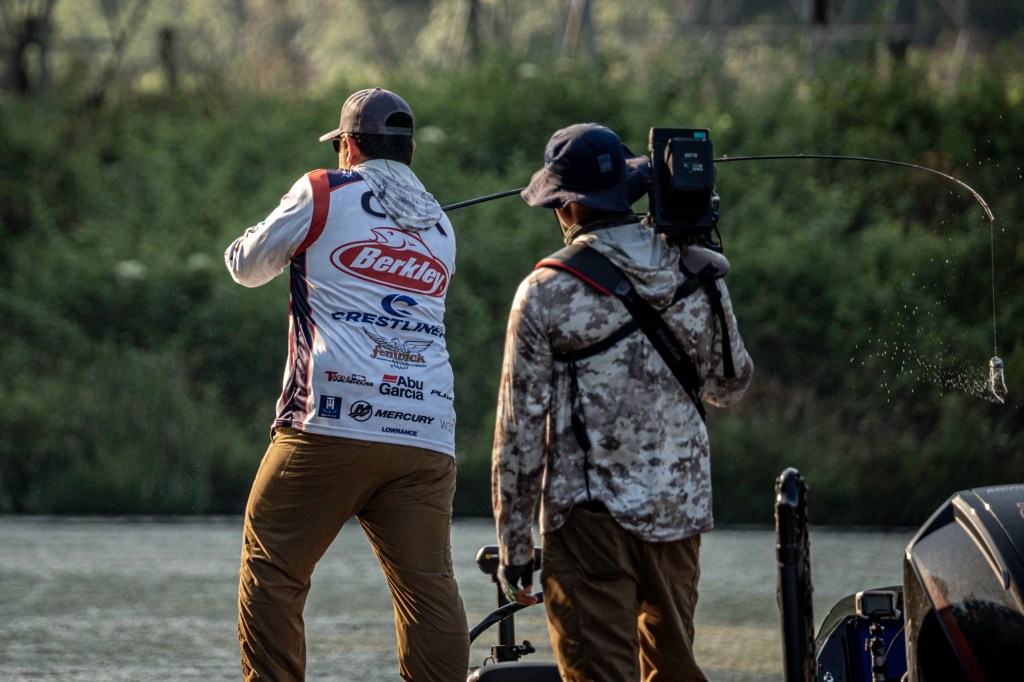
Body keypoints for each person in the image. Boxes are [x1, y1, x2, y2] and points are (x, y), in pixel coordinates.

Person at [491, 123, 754, 682]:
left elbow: (519, 434)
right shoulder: (696, 269)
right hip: (679, 514)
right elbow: (728, 388)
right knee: (674, 672)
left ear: (565, 207)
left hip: (589, 524)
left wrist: (515, 548)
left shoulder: (545, 292)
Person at [225, 87, 469, 682]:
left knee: (272, 567)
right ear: (410, 151)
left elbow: (246, 267)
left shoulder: (322, 191)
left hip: (329, 422)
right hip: (426, 433)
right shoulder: (439, 224)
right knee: (428, 591)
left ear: (350, 147)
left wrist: (263, 228)